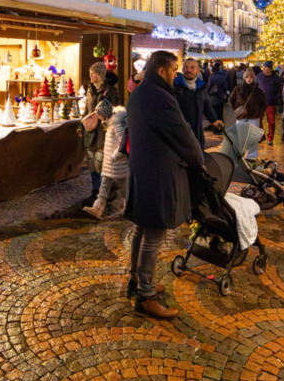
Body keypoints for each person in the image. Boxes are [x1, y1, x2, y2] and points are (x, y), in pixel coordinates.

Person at [124, 50, 205, 319]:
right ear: (161, 70)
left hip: (142, 170)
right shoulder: (160, 97)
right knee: (153, 235)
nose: (176, 74)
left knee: (141, 229)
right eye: (173, 69)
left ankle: (136, 281)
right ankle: (145, 296)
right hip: (158, 174)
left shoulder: (139, 93)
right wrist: (199, 162)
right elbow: (184, 135)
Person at [82, 100, 127, 219]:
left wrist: (114, 156)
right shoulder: (110, 122)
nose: (98, 117)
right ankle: (97, 209)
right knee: (103, 188)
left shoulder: (117, 123)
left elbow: (123, 143)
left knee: (125, 189)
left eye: (99, 115)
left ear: (104, 114)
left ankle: (129, 210)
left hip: (118, 164)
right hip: (109, 163)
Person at [83, 63, 122, 197]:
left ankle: (106, 191)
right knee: (92, 162)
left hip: (103, 131)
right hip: (90, 131)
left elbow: (115, 109)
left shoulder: (111, 90)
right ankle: (95, 190)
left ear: (100, 74)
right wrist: (82, 125)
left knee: (102, 162)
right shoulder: (90, 89)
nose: (90, 76)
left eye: (93, 73)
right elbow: (87, 109)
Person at [228, 67, 266, 160]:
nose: (249, 79)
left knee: (253, 137)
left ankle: (251, 156)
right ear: (244, 78)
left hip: (254, 117)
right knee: (240, 137)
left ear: (253, 78)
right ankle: (238, 154)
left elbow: (264, 103)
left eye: (251, 77)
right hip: (241, 116)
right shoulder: (238, 89)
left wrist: (259, 113)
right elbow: (231, 99)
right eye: (247, 77)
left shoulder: (258, 90)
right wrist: (235, 109)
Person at [173, 57, 211, 149]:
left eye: (192, 67)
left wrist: (214, 120)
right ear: (182, 69)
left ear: (198, 70)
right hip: (180, 129)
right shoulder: (175, 85)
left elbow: (207, 105)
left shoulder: (202, 85)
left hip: (197, 129)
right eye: (186, 67)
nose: (188, 70)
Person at [254, 62, 282, 144]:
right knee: (258, 120)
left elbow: (280, 89)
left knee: (271, 121)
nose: (263, 69)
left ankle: (270, 138)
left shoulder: (276, 78)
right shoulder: (259, 77)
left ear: (270, 68)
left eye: (265, 67)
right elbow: (254, 88)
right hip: (260, 103)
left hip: (271, 102)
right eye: (263, 67)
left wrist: (276, 98)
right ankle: (261, 135)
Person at [205, 62, 229, 127]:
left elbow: (208, 87)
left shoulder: (211, 77)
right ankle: (221, 126)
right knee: (220, 112)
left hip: (213, 97)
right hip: (221, 97)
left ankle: (214, 126)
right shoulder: (223, 77)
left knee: (213, 112)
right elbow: (226, 87)